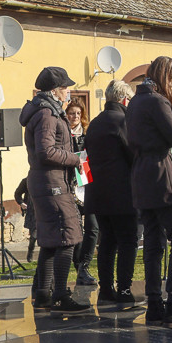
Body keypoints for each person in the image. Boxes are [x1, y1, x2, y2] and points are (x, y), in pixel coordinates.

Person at [126, 56, 172, 328]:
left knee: (153, 242)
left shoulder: (135, 101)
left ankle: (154, 305)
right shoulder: (156, 101)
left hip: (141, 175)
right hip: (160, 175)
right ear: (165, 76)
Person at [21, 66, 89, 314]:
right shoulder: (47, 114)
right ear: (54, 90)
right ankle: (60, 294)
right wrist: (75, 159)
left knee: (51, 241)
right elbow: (46, 151)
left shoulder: (44, 111)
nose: (68, 91)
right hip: (52, 184)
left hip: (49, 182)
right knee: (68, 237)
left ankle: (43, 295)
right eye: (65, 88)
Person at [82, 79, 137, 307]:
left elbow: (85, 156)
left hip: (97, 193)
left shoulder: (95, 122)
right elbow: (132, 153)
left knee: (107, 242)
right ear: (124, 99)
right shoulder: (123, 121)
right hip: (121, 193)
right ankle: (124, 290)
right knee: (128, 241)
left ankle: (105, 290)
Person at [65, 101, 98, 287]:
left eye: (78, 113)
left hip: (87, 185)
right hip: (70, 187)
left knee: (93, 228)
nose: (75, 117)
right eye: (72, 113)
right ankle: (80, 269)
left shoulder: (88, 134)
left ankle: (85, 264)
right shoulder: (63, 134)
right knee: (77, 231)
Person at [14, 176, 35, 262]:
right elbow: (17, 194)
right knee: (34, 236)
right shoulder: (27, 181)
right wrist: (22, 203)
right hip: (33, 212)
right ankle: (30, 251)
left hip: (45, 211)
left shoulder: (47, 179)